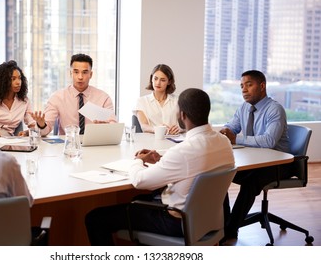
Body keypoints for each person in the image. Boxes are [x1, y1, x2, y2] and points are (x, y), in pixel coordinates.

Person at [85, 88, 235, 245]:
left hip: (177, 222)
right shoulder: (223, 142)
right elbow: (195, 164)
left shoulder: (183, 151)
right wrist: (164, 161)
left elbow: (140, 181)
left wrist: (138, 160)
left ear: (182, 115)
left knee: (95, 218)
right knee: (138, 200)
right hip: (208, 218)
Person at [219, 70, 290, 241]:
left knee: (251, 181)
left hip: (279, 164)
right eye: (242, 86)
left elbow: (269, 141)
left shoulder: (275, 109)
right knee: (220, 174)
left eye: (249, 85)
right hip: (256, 161)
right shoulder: (244, 107)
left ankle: (230, 230)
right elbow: (232, 127)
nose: (244, 89)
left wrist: (236, 138)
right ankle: (224, 223)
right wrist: (224, 132)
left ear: (262, 86)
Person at [32, 53, 116, 136]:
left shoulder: (103, 97)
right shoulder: (57, 98)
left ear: (91, 74)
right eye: (76, 72)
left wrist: (106, 127)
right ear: (70, 73)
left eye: (85, 72)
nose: (80, 77)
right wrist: (41, 124)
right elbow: (44, 132)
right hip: (68, 145)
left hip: (96, 144)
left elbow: (114, 128)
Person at [0, 60, 36, 137]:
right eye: (13, 79)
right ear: (3, 81)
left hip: (8, 140)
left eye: (19, 78)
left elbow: (33, 125)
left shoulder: (24, 101)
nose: (18, 82)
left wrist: (27, 132)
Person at [135, 64, 182, 135]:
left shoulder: (178, 100)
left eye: (162, 80)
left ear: (169, 82)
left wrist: (179, 129)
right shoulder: (142, 101)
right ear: (151, 79)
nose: (158, 83)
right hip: (152, 141)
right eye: (155, 78)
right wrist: (158, 129)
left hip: (174, 139)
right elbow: (144, 126)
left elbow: (186, 124)